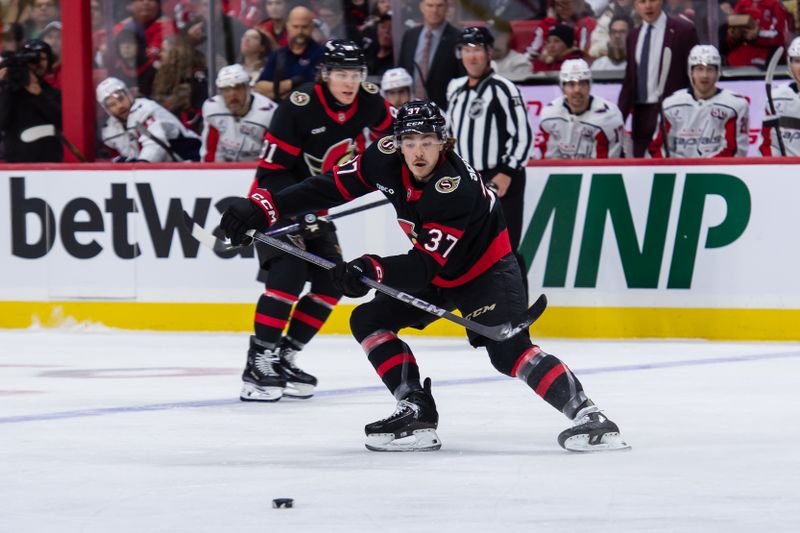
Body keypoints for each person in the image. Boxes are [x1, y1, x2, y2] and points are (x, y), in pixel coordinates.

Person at [219, 100, 629, 453]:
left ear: (443, 143)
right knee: (368, 320)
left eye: (428, 142)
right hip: (434, 267)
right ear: (396, 143)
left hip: (484, 271)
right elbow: (330, 187)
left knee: (507, 350)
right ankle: (415, 408)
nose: (418, 152)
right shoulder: (383, 156)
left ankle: (591, 416)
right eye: (410, 142)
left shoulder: (456, 188)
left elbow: (425, 266)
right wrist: (265, 207)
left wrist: (371, 268)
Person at [227, 40, 393, 403]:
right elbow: (271, 172)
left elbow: (395, 142)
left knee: (332, 282)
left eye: (355, 74)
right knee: (287, 276)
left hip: (315, 206)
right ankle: (258, 362)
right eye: (341, 74)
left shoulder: (370, 101)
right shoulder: (297, 107)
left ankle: (283, 356)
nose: (349, 82)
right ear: (325, 75)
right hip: (273, 203)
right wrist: (298, 211)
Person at [446, 26, 532, 293]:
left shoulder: (504, 88)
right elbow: (450, 135)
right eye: (467, 50)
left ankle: (518, 314)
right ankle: (488, 311)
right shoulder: (456, 89)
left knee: (505, 248)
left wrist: (506, 172)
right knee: (471, 250)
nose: (472, 56)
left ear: (489, 53)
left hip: (501, 177)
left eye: (477, 50)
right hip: (469, 180)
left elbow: (523, 135)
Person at [618, 0, 698, 157]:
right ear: (635, 5)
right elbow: (629, 82)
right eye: (642, 1)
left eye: (652, 0)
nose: (648, 6)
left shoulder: (683, 30)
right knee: (641, 168)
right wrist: (618, 119)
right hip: (641, 114)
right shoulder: (633, 36)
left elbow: (693, 75)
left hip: (673, 114)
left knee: (674, 165)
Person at [649, 45, 749, 158]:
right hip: (679, 171)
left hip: (716, 172)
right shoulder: (671, 105)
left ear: (718, 72)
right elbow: (657, 148)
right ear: (690, 71)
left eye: (710, 69)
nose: (704, 75)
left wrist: (701, 169)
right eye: (699, 69)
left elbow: (734, 150)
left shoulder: (734, 105)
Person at [97, 76, 201, 162]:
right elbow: (116, 158)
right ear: (107, 110)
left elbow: (155, 145)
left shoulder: (144, 111)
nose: (120, 106)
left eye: (121, 99)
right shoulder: (110, 130)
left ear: (129, 95)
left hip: (191, 161)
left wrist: (140, 165)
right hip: (161, 172)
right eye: (112, 104)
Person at [538, 58, 625, 158]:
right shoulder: (550, 114)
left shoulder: (608, 116)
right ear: (563, 87)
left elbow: (606, 166)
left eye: (582, 83)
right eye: (571, 84)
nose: (577, 90)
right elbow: (548, 161)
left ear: (589, 86)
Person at [0, 38, 62, 162]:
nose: (39, 63)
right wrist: (4, 86)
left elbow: (62, 121)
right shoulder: (10, 92)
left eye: (44, 59)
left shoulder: (54, 93)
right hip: (16, 162)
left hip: (50, 162)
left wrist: (39, 95)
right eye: (33, 59)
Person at [200, 64, 276, 162]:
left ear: (248, 88)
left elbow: (272, 156)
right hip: (226, 168)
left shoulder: (268, 112)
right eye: (226, 90)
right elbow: (211, 152)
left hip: (257, 167)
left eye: (238, 88)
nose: (232, 95)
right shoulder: (212, 108)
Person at [398, 0, 464, 110]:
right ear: (422, 7)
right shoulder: (410, 36)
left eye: (439, 5)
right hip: (410, 110)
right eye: (430, 5)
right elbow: (401, 70)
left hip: (444, 111)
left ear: (446, 7)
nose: (434, 10)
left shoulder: (457, 38)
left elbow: (461, 77)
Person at [255, 6, 324, 101]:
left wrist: (277, 91)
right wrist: (292, 83)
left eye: (304, 27)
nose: (300, 31)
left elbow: (313, 90)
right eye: (295, 26)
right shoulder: (278, 54)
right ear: (287, 26)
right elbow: (259, 86)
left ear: (312, 27)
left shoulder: (322, 54)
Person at [760, 37, 800, 156]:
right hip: (785, 172)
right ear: (790, 64)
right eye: (798, 61)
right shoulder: (776, 97)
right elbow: (768, 144)